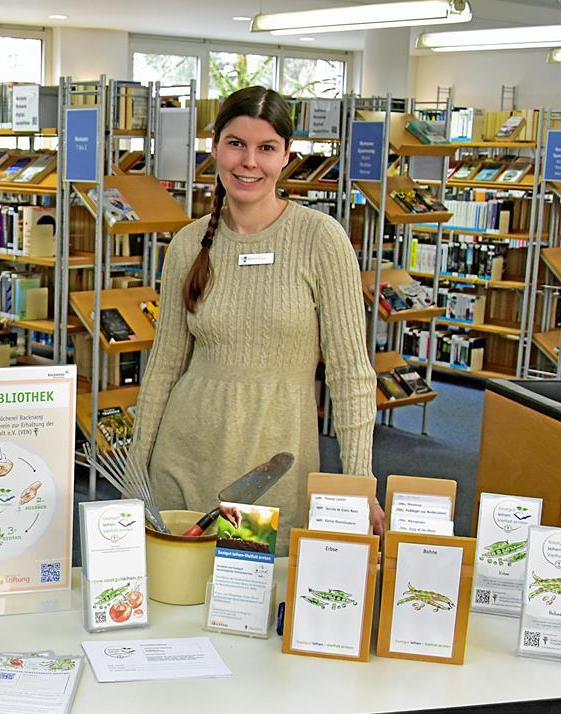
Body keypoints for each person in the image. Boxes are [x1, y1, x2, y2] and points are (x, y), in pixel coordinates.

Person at [130, 86, 381, 553]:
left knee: (249, 609)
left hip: (271, 476)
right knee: (176, 605)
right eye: (236, 144)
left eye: (266, 148)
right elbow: (164, 367)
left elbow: (350, 374)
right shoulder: (187, 244)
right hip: (182, 462)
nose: (249, 162)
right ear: (215, 148)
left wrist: (359, 480)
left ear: (287, 155)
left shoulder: (320, 240)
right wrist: (134, 472)